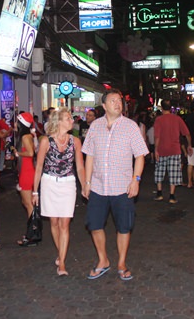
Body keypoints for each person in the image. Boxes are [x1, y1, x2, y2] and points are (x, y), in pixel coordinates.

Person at [82, 89, 148, 281]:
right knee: (94, 224)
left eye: (119, 101)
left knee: (124, 226)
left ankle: (121, 263)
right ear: (104, 106)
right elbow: (89, 156)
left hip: (122, 187)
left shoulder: (130, 127)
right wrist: (86, 182)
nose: (117, 104)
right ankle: (103, 260)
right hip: (98, 186)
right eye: (112, 101)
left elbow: (140, 156)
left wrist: (136, 180)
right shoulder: (95, 126)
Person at [32, 108, 85, 275]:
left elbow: (80, 167)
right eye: (68, 118)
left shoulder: (75, 141)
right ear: (59, 121)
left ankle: (62, 262)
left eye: (71, 118)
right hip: (49, 183)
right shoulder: (46, 141)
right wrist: (35, 191)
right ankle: (60, 252)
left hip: (68, 183)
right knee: (53, 222)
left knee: (65, 224)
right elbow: (39, 166)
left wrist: (84, 185)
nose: (72, 121)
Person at [153, 100, 192, 203]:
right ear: (171, 108)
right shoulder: (177, 119)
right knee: (174, 172)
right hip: (175, 149)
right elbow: (187, 133)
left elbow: (157, 136)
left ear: (162, 108)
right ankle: (172, 195)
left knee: (159, 171)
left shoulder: (159, 120)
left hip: (162, 149)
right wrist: (189, 145)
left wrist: (156, 149)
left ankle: (159, 193)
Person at [12, 112, 38, 246]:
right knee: (27, 203)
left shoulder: (25, 137)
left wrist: (18, 153)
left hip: (27, 172)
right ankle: (32, 232)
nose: (14, 124)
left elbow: (30, 153)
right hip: (25, 171)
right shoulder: (27, 136)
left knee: (29, 205)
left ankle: (32, 234)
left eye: (16, 121)